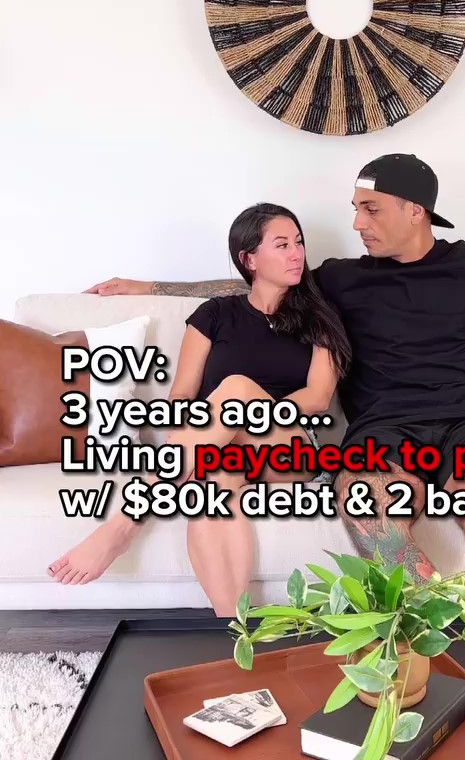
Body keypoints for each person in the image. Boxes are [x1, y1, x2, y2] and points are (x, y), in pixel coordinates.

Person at [81, 153, 465, 614]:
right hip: (385, 430)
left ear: (416, 211)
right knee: (368, 509)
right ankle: (433, 637)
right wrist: (148, 286)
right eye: (355, 210)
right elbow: (254, 280)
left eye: (370, 209)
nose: (357, 222)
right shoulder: (342, 279)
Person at [48, 204, 351, 614]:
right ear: (249, 259)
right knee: (213, 486)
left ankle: (122, 526)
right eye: (282, 245)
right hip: (220, 445)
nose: (296, 253)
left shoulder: (320, 316)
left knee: (238, 389)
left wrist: (247, 412)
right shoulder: (214, 315)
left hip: (288, 446)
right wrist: (204, 432)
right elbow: (182, 397)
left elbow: (316, 398)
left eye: (298, 242)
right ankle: (234, 629)